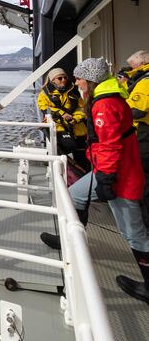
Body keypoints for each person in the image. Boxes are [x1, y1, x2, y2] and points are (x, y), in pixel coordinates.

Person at [39, 57, 148, 303]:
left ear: (90, 80)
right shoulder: (107, 99)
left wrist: (107, 179)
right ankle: (72, 240)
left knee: (134, 233)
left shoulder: (105, 105)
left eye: (78, 78)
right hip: (107, 170)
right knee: (74, 195)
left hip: (120, 177)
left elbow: (109, 145)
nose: (75, 81)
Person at [37, 68, 89, 170]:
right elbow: (44, 107)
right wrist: (62, 113)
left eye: (65, 77)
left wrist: (75, 118)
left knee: (83, 154)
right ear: (52, 80)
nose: (63, 80)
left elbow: (82, 108)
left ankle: (83, 173)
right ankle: (61, 173)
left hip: (77, 126)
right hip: (59, 127)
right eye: (59, 78)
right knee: (65, 150)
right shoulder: (45, 93)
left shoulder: (73, 91)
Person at [125, 50, 149, 229]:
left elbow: (137, 110)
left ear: (140, 64)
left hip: (144, 135)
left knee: (144, 178)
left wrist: (118, 109)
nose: (131, 70)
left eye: (133, 66)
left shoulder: (145, 81)